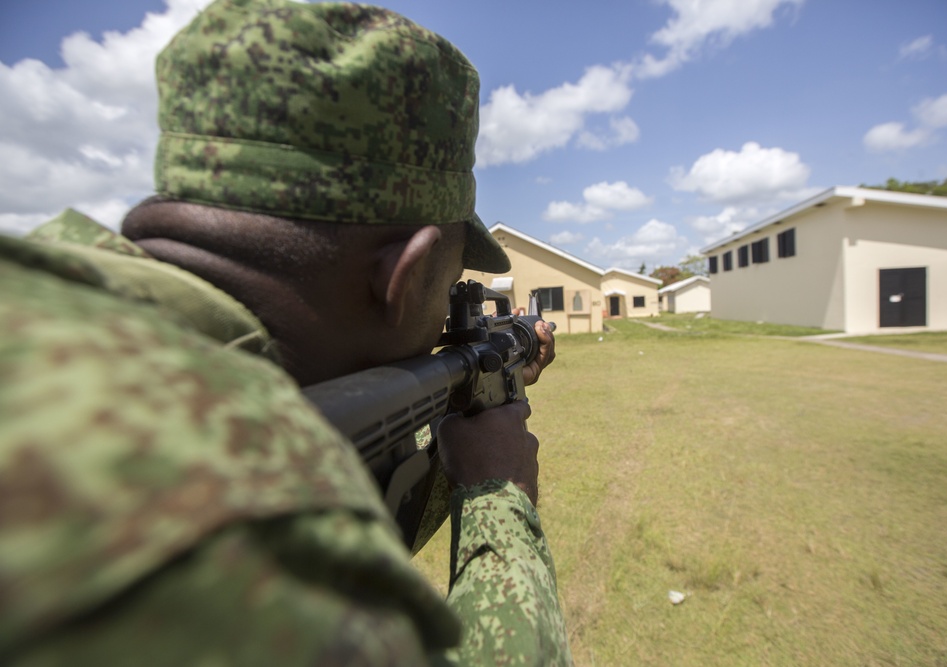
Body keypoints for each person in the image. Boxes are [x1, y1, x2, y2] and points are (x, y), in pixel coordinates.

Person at [0, 0, 572, 664]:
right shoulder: (236, 522)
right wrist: (500, 490)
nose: (447, 317)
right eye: (446, 293)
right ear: (407, 276)